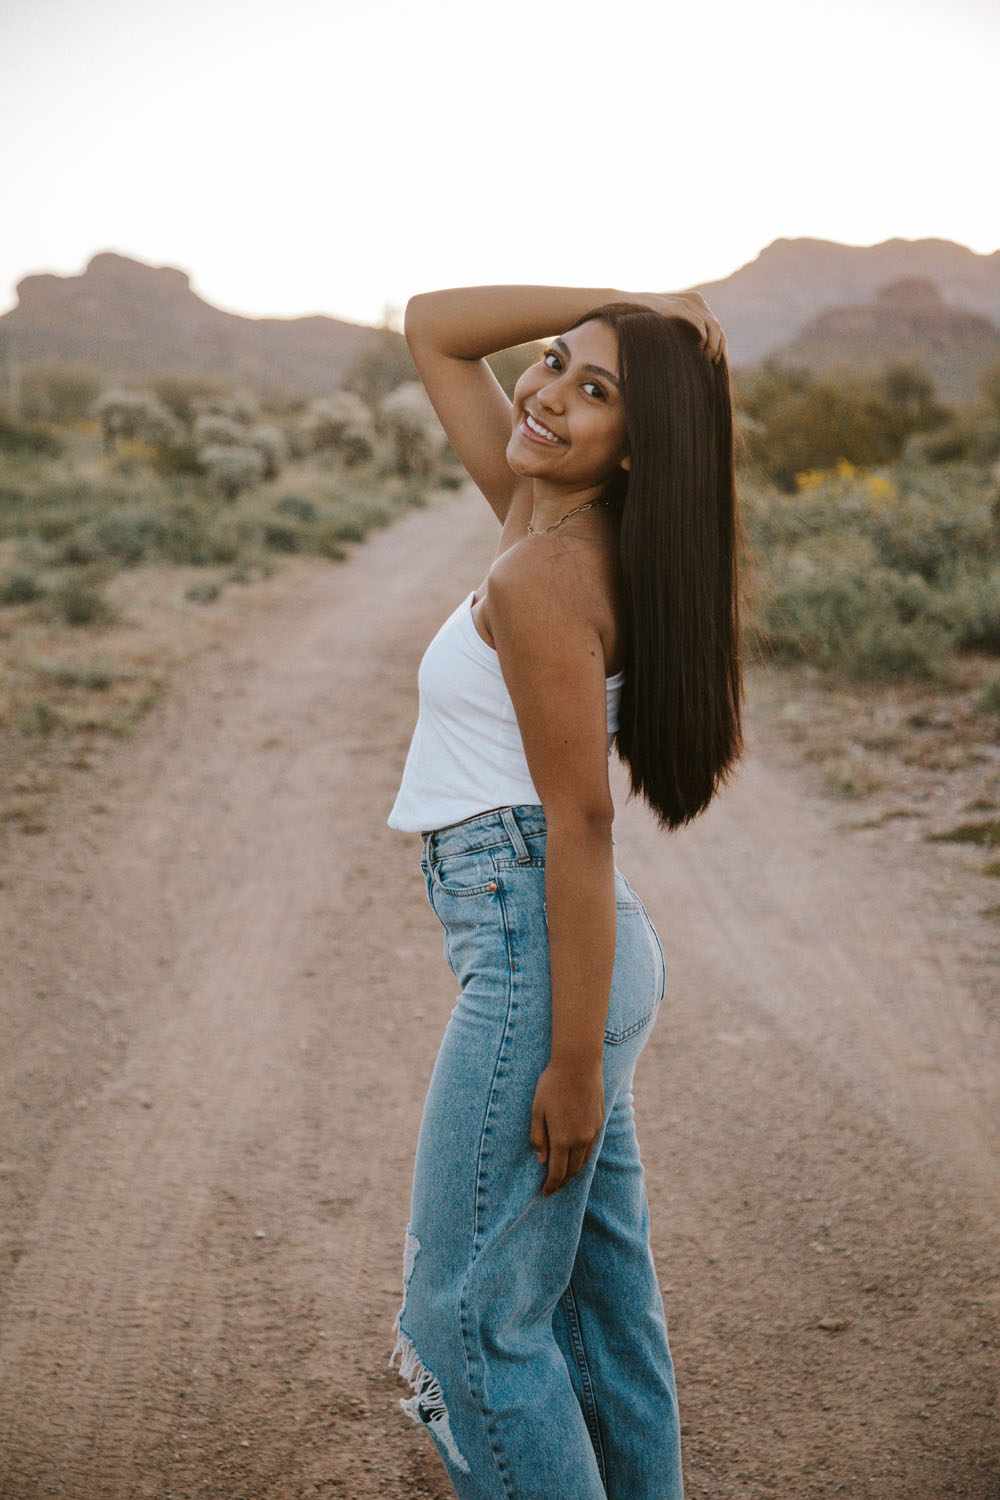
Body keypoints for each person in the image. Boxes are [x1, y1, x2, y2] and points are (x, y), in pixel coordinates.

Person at [386, 285, 741, 1500]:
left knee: (467, 1317)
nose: (543, 396)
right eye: (553, 364)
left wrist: (571, 1059)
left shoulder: (544, 569)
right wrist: (626, 309)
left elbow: (579, 822)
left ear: (638, 444)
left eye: (597, 393)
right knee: (598, 1314)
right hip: (574, 947)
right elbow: (435, 323)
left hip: (541, 944)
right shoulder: (561, 527)